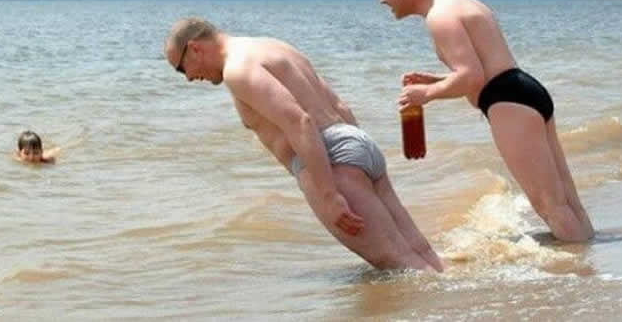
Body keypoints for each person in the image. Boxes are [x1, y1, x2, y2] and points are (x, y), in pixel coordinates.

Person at [164, 17, 444, 271]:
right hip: (356, 142)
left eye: (181, 69)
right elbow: (339, 105)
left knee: (399, 265)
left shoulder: (237, 68)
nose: (188, 78)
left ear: (195, 48)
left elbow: (299, 121)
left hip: (330, 162)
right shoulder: (272, 46)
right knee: (423, 254)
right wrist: (358, 161)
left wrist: (329, 194)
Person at [372, 0, 595, 242]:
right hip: (524, 90)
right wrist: (437, 80)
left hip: (507, 102)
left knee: (550, 206)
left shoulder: (439, 16)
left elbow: (472, 77)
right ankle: (591, 256)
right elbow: (482, 68)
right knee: (567, 200)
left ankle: (581, 266)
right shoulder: (457, 1)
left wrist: (426, 93)